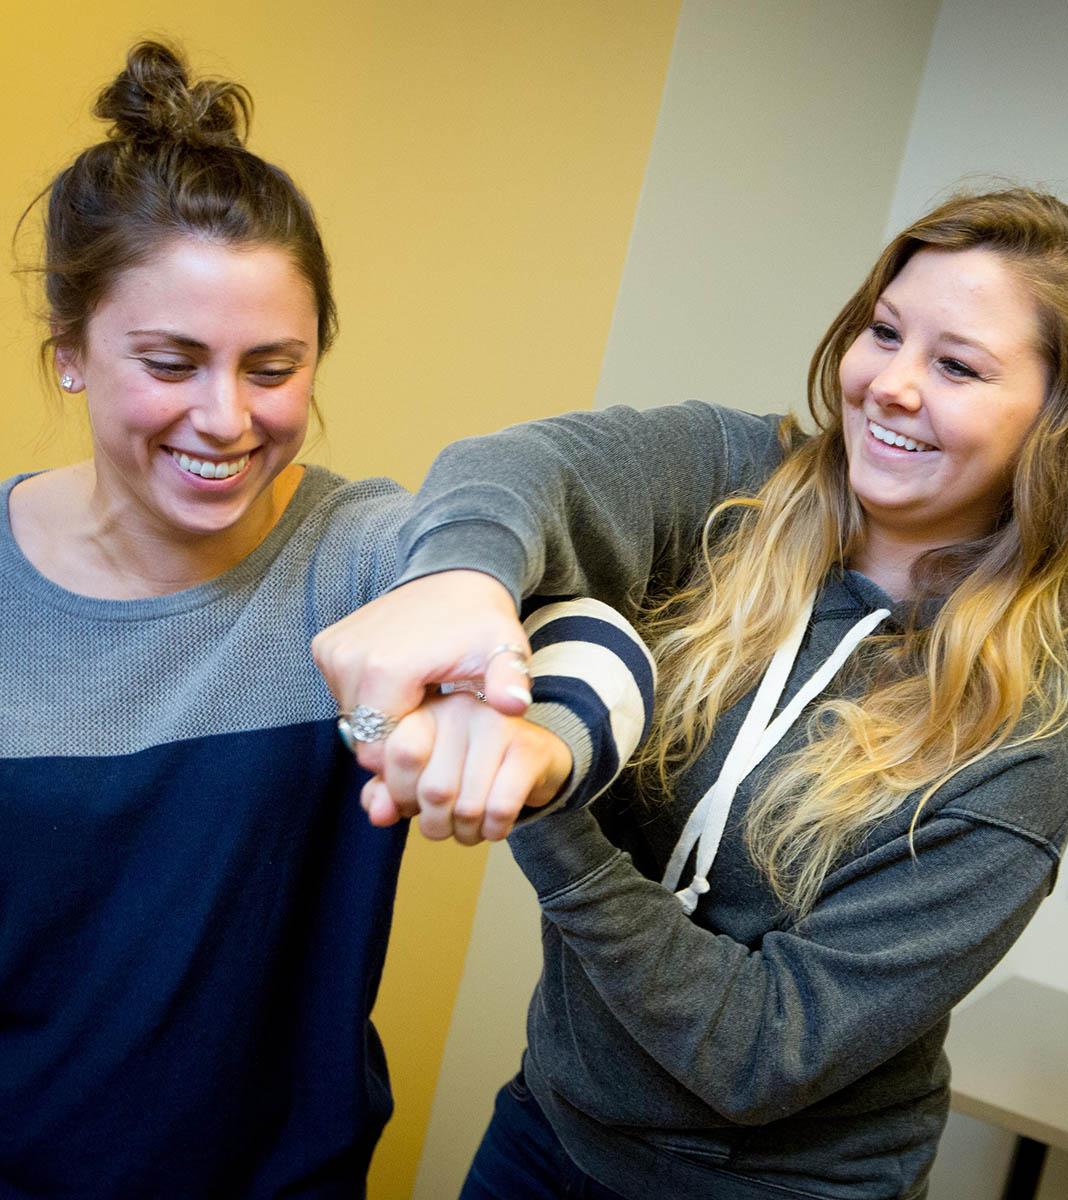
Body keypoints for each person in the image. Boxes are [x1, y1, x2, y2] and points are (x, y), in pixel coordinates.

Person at [313, 188, 1068, 1199]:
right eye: (884, 332)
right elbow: (519, 471)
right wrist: (460, 582)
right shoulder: (731, 480)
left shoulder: (1021, 745)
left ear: (1059, 425)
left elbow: (763, 1053)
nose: (889, 383)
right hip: (551, 1128)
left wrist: (545, 794)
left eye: (958, 365)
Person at [0, 41, 654, 1199]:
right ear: (67, 350)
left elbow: (591, 638)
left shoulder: (363, 556)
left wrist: (528, 737)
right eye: (171, 361)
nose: (225, 418)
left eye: (272, 367)